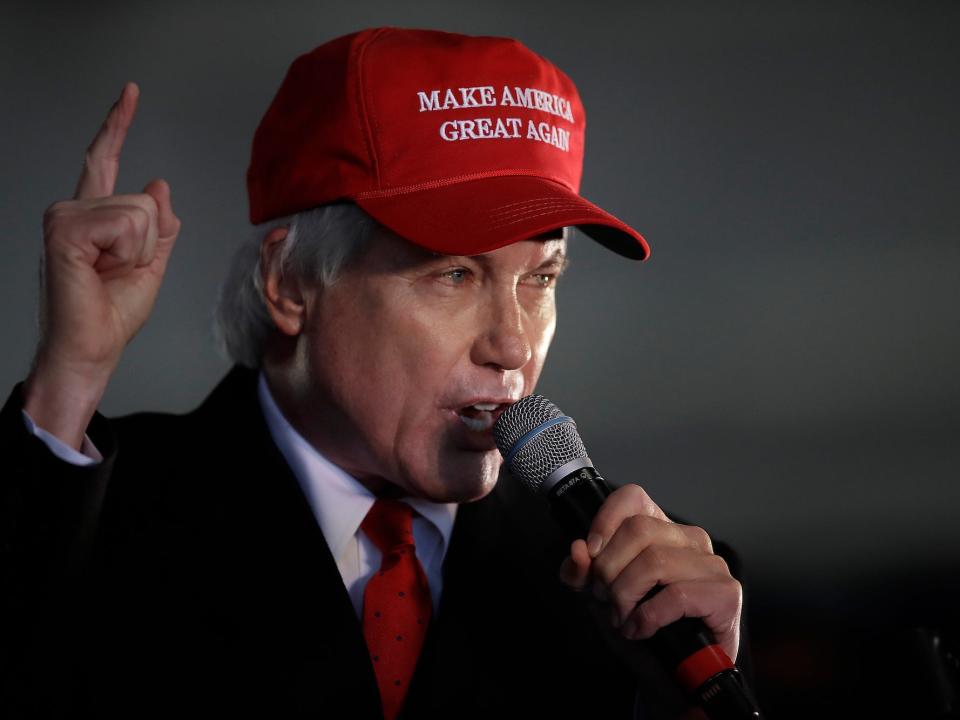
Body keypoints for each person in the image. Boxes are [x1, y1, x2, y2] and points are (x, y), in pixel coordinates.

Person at [1, 28, 749, 719]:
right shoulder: (90, 519)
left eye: (542, 278)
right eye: (454, 274)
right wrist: (68, 376)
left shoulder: (655, 600)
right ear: (290, 285)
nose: (513, 345)